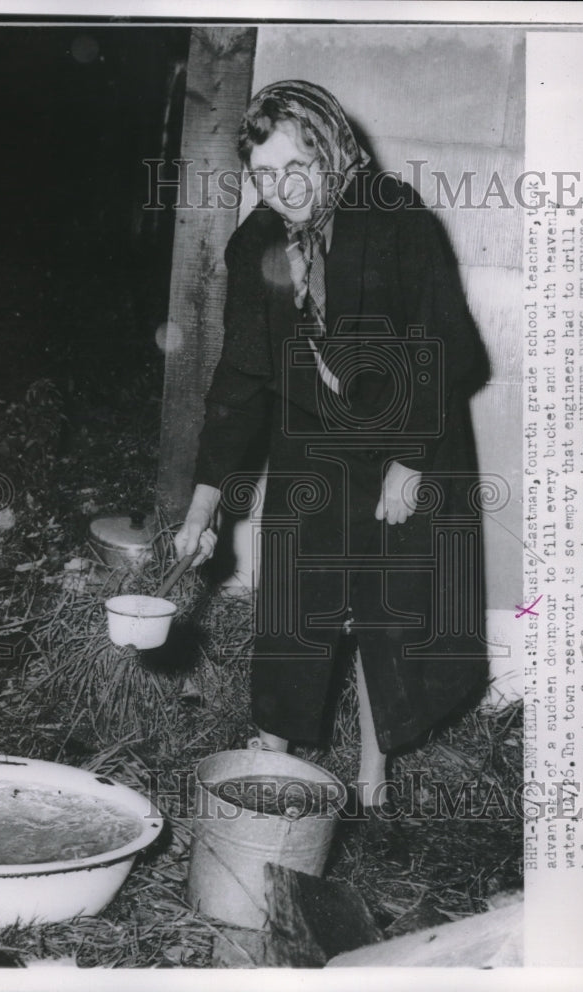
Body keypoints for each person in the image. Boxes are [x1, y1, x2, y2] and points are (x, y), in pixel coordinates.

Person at [174, 80, 489, 808]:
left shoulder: (396, 222)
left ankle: (372, 785)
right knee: (295, 596)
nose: (281, 189)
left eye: (296, 168)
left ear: (331, 152)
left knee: (386, 606)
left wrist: (409, 460)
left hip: (410, 428)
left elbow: (447, 349)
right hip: (311, 438)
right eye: (262, 174)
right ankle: (270, 762)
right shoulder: (256, 241)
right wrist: (204, 503)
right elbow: (239, 380)